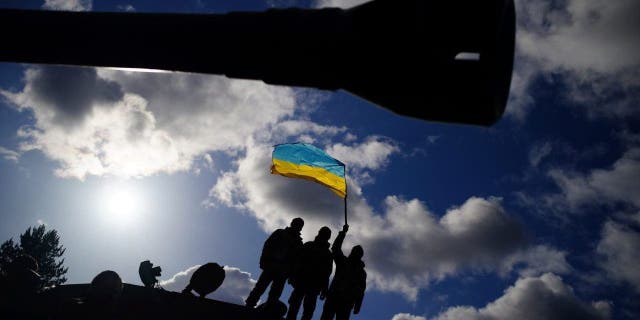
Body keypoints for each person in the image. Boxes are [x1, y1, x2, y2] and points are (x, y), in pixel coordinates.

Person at [245, 217, 304, 308]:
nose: (297, 226)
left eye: (299, 225)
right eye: (296, 224)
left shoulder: (299, 243)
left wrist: (291, 274)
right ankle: (249, 306)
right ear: (292, 223)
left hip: (283, 272)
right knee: (260, 288)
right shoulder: (280, 233)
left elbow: (297, 260)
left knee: (275, 294)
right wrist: (263, 260)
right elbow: (268, 245)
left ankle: (267, 311)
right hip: (271, 265)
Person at [320, 225, 366, 320]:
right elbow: (335, 248)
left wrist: (358, 304)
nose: (355, 254)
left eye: (357, 253)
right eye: (355, 252)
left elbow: (361, 291)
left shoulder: (361, 272)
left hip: (345, 302)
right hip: (334, 298)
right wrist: (342, 233)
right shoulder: (343, 262)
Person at [286, 226, 333, 320]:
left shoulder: (327, 253)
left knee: (307, 310)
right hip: (302, 281)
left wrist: (324, 288)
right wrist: (291, 274)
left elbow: (327, 273)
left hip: (313, 285)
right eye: (323, 233)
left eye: (326, 234)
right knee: (295, 307)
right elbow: (297, 260)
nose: (324, 236)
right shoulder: (309, 246)